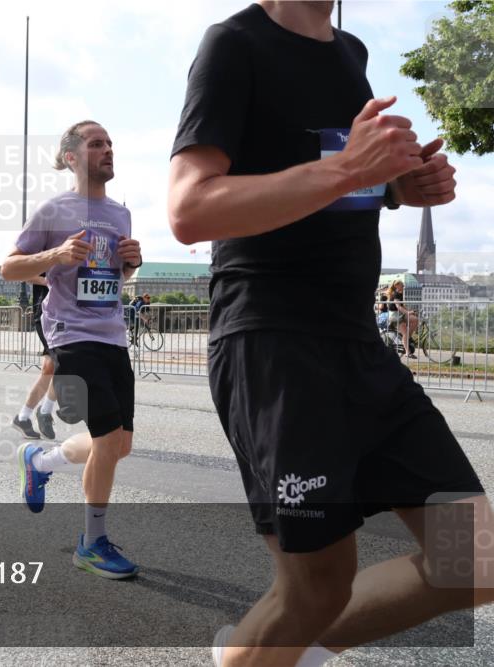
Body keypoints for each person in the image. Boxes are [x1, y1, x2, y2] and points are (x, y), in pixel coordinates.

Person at [167, 2, 491, 665]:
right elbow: (189, 208)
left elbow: (334, 182)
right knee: (316, 582)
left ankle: (273, 652)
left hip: (357, 344)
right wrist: (351, 170)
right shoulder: (234, 43)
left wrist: (398, 187)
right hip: (274, 340)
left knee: (475, 557)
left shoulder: (351, 53)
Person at [2, 120, 144, 579]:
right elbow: (9, 267)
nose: (108, 150)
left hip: (112, 335)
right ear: (70, 157)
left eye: (110, 143)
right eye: (96, 144)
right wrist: (56, 255)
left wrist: (129, 266)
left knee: (120, 445)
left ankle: (39, 462)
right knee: (106, 440)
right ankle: (92, 543)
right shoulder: (53, 211)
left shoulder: (120, 214)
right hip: (70, 335)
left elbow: (111, 282)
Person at [12, 275, 58, 440]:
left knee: (50, 368)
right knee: (63, 364)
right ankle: (44, 411)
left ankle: (23, 418)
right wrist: (51, 281)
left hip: (69, 313)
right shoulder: (43, 249)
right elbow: (26, 273)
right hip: (48, 313)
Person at [387, 280, 418, 360]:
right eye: (402, 285)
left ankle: (407, 338)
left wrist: (410, 312)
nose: (403, 286)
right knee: (405, 333)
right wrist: (408, 312)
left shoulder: (400, 293)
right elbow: (398, 307)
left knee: (415, 320)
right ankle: (408, 353)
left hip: (399, 314)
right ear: (397, 285)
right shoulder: (396, 294)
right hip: (395, 316)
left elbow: (402, 306)